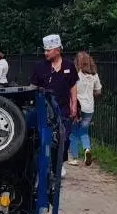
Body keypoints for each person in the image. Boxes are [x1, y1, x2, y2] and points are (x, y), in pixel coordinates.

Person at [28, 34, 78, 176]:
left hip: (63, 108)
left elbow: (73, 85)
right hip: (45, 109)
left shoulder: (68, 66)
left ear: (57, 50)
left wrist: (74, 104)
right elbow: (33, 86)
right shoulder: (40, 67)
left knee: (64, 137)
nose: (46, 53)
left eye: (48, 50)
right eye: (45, 50)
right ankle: (44, 165)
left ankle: (59, 163)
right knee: (45, 138)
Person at [69, 51, 102, 166]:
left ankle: (74, 158)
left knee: (73, 133)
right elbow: (98, 91)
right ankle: (87, 149)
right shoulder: (94, 75)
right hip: (89, 108)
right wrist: (91, 92)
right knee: (84, 132)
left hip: (77, 106)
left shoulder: (75, 74)